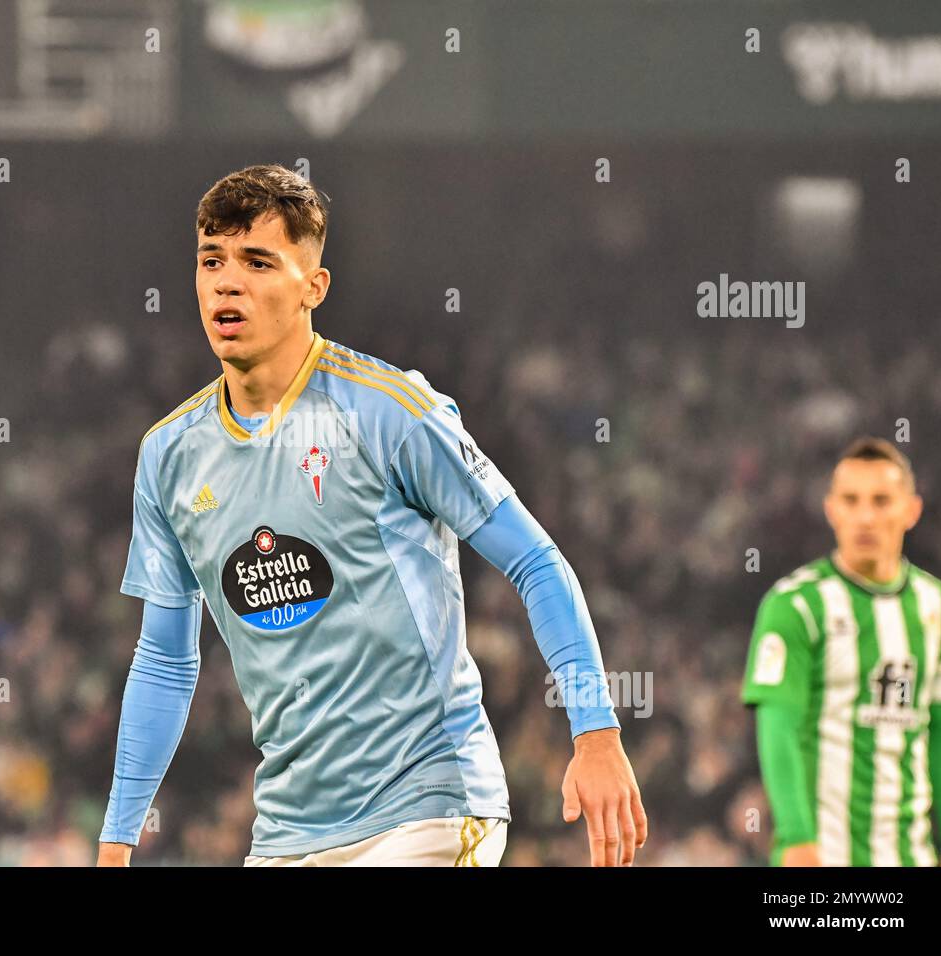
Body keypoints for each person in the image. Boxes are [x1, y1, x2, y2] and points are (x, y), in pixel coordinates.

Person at [98, 164, 646, 866]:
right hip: (287, 836)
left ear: (313, 289)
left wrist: (595, 732)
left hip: (429, 810)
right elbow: (166, 661)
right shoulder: (170, 455)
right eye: (212, 261)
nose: (227, 283)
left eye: (258, 262)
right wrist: (117, 840)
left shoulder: (391, 413)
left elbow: (535, 560)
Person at [743, 437, 941, 866]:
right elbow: (777, 727)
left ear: (911, 510)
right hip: (821, 856)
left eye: (881, 500)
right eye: (851, 500)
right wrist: (799, 839)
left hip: (910, 857)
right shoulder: (796, 605)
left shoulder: (939, 606)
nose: (865, 516)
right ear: (831, 509)